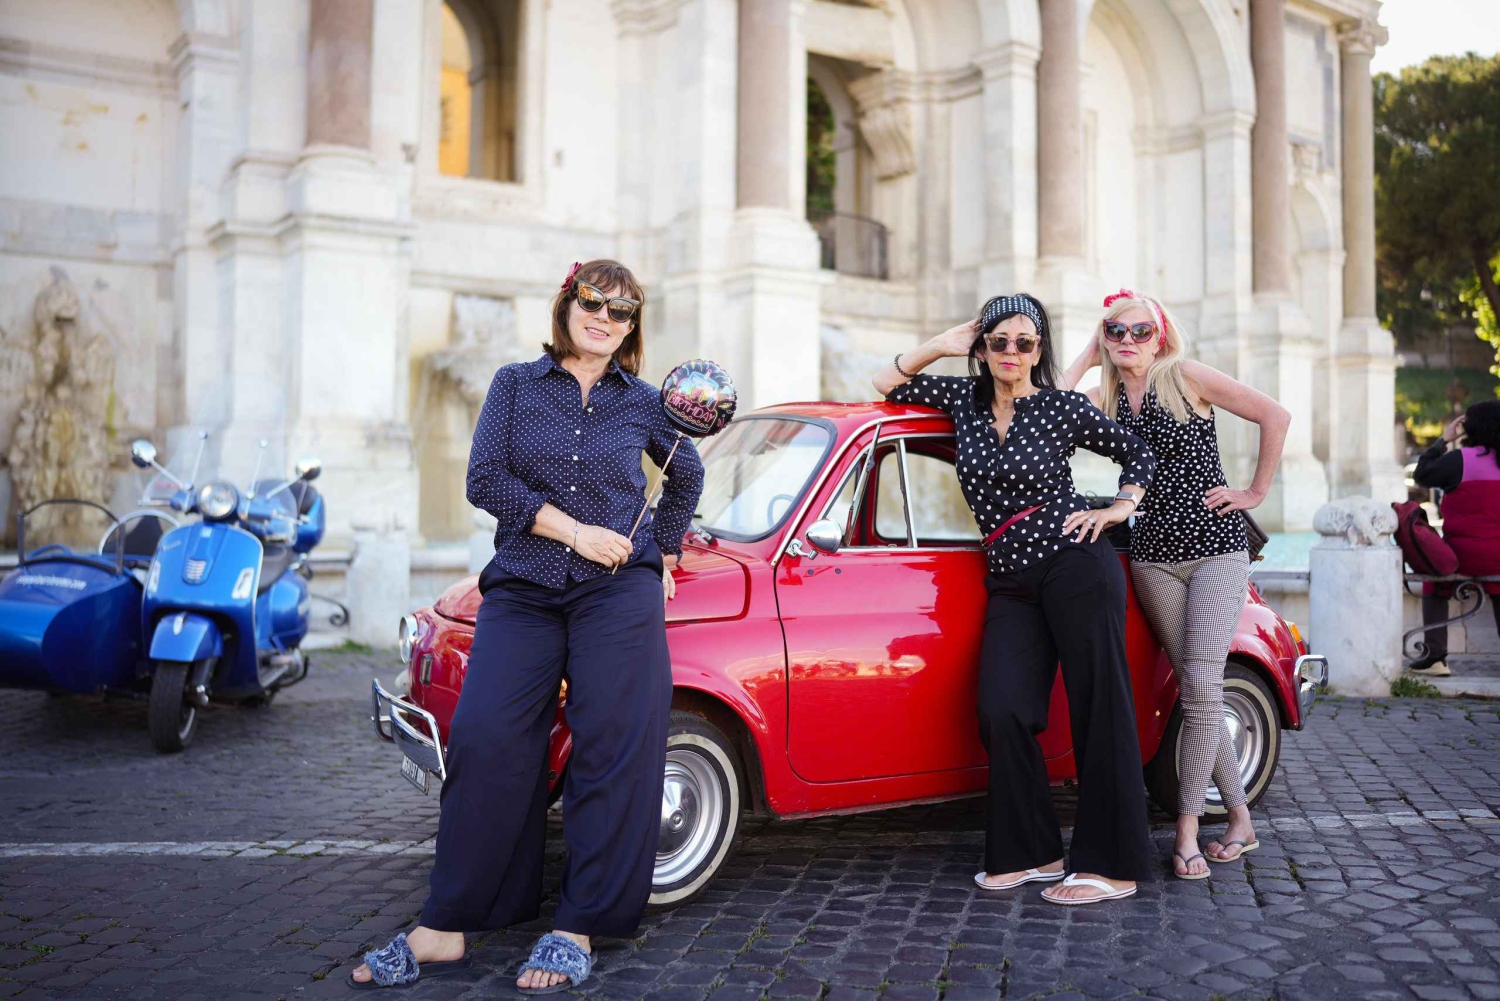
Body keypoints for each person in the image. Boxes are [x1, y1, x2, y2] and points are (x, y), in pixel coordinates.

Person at [350, 259, 705, 992]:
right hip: (526, 584)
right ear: (567, 304)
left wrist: (666, 551)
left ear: (632, 327)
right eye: (592, 301)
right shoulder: (515, 384)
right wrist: (574, 531)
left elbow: (687, 473)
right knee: (486, 736)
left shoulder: (645, 402)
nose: (603, 317)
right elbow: (484, 479)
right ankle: (448, 922)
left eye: (621, 310)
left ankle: (579, 923)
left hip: (618, 590)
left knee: (613, 741)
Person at [872, 293, 1158, 905]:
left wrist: (1119, 507)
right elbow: (885, 383)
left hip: (1074, 562)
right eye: (998, 340)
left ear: (1038, 350)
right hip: (1009, 579)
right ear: (982, 348)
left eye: (1024, 342)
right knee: (1001, 709)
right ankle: (1033, 851)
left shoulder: (1061, 406)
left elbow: (1137, 451)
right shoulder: (963, 400)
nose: (1011, 351)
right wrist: (941, 345)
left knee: (1098, 706)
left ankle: (1113, 867)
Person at [1059, 289, 1290, 880]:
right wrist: (1088, 353)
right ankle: (1240, 819)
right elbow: (1050, 410)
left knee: (1204, 683)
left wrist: (1255, 492)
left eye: (1140, 331)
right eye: (1116, 331)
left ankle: (1187, 830)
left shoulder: (1185, 376)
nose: (1128, 341)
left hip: (1216, 550)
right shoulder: (1108, 397)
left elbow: (1275, 414)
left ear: (1159, 335)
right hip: (1153, 558)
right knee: (1197, 688)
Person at [1408, 399, 1500, 676]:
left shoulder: (1460, 460)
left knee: (1435, 583)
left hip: (1461, 556)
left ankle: (1435, 657)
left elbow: (1422, 475)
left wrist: (1444, 440)